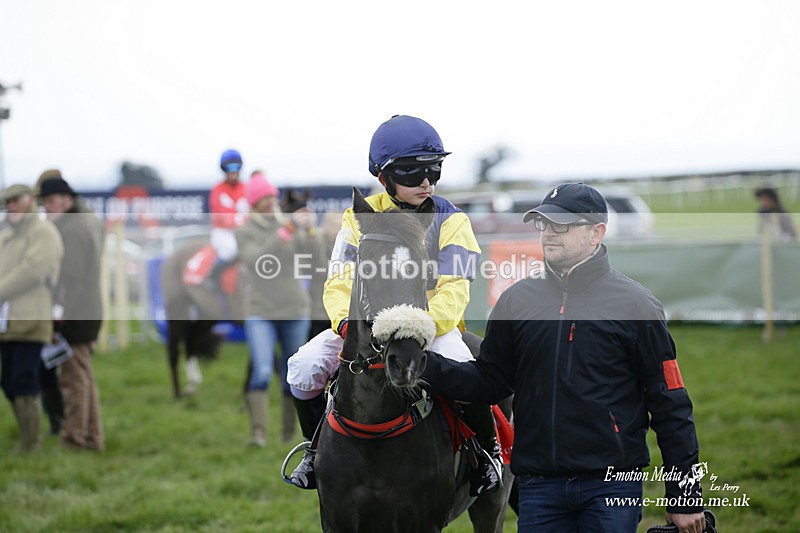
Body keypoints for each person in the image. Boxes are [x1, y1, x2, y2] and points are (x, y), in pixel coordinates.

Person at [420, 183, 706, 533]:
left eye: (563, 225)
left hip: (612, 486)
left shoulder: (636, 305)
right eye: (544, 224)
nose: (549, 234)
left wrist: (686, 497)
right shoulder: (516, 302)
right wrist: (421, 366)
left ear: (596, 233)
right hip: (539, 488)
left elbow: (671, 404)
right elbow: (490, 381)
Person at [286, 114, 502, 496]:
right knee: (302, 368)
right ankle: (314, 450)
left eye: (433, 172)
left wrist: (422, 325)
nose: (426, 182)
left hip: (431, 326)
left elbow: (455, 288)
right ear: (385, 177)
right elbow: (339, 280)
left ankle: (487, 453)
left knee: (468, 374)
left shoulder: (453, 219)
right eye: (413, 173)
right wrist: (346, 325)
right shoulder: (358, 217)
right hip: (364, 325)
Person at [235, 174, 315, 447]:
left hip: (294, 310)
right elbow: (256, 261)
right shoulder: (245, 231)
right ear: (254, 202)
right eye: (264, 198)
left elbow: (314, 255)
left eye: (272, 196)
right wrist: (287, 231)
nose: (271, 202)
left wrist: (310, 229)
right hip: (260, 312)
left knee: (291, 376)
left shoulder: (288, 223)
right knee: (261, 370)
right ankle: (258, 434)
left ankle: (289, 436)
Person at [38, 176, 106, 451]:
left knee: (73, 380)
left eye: (51, 202)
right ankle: (91, 437)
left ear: (67, 199)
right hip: (85, 309)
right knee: (83, 377)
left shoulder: (72, 229)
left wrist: (59, 312)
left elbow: (72, 277)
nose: (48, 209)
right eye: (44, 204)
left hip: (76, 312)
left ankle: (74, 438)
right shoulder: (80, 222)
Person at [0, 184, 64, 453]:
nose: (10, 206)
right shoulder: (7, 235)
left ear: (28, 202)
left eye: (14, 201)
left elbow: (32, 271)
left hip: (31, 319)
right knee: (9, 381)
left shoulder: (43, 232)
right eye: (7, 202)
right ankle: (27, 438)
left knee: (25, 378)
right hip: (7, 321)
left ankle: (31, 443)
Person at [207, 149, 250, 288]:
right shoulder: (218, 190)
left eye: (236, 167)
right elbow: (227, 220)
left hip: (243, 231)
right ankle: (213, 276)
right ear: (223, 169)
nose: (233, 171)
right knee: (232, 249)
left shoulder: (246, 188)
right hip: (223, 233)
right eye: (229, 167)